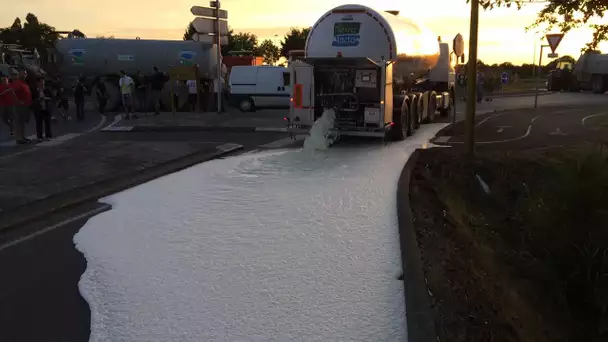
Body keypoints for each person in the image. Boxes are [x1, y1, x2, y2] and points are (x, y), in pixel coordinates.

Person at [11, 70, 32, 144]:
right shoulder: (17, 82)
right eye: (23, 73)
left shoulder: (24, 82)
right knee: (19, 123)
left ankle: (23, 137)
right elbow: (12, 92)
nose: (25, 75)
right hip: (20, 106)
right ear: (20, 74)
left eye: (26, 74)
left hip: (25, 106)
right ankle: (19, 138)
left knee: (22, 123)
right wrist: (17, 101)